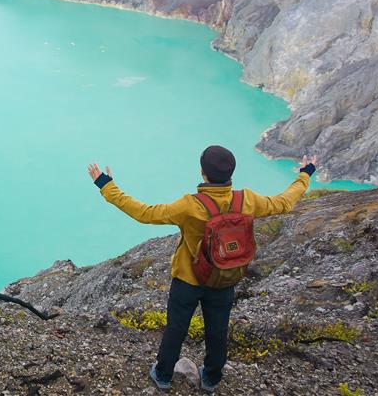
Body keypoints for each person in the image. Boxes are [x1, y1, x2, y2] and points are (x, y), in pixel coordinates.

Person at [87, 145, 317, 392]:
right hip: (225, 277)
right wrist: (305, 174)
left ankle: (163, 375)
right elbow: (283, 202)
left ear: (202, 172)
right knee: (218, 330)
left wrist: (106, 185)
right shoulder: (247, 200)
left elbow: (144, 213)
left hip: (189, 279)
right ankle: (211, 378)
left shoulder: (190, 205)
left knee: (176, 328)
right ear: (231, 172)